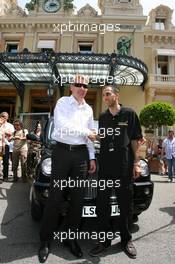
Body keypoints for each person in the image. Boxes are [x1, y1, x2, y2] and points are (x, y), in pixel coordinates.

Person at [38, 75, 96, 263]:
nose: (81, 88)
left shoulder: (88, 109)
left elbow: (89, 139)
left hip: (80, 155)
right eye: (78, 84)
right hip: (62, 152)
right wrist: (88, 132)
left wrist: (92, 156)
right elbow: (62, 126)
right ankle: (45, 241)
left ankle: (70, 239)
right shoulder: (63, 102)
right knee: (55, 197)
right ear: (71, 87)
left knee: (77, 200)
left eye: (85, 85)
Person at [89, 84, 143, 259]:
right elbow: (104, 137)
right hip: (105, 168)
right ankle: (103, 241)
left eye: (107, 94)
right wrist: (95, 136)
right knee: (102, 206)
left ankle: (126, 240)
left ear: (116, 95)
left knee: (125, 206)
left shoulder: (129, 114)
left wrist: (136, 163)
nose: (105, 97)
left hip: (124, 168)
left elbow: (135, 140)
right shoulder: (103, 117)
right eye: (103, 95)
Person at [0, 112, 14, 182]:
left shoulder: (10, 125)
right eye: (2, 116)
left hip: (6, 145)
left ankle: (5, 176)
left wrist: (4, 132)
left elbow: (11, 135)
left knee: (5, 161)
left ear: (8, 118)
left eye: (5, 117)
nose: (4, 118)